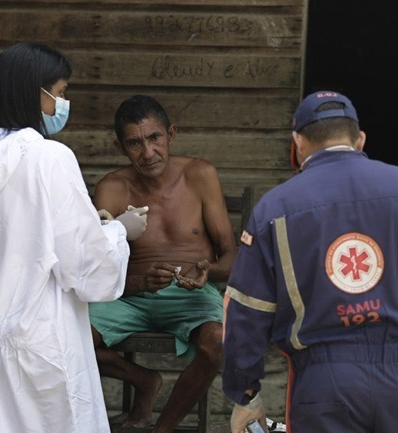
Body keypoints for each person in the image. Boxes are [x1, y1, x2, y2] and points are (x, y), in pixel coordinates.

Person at [222, 90, 398, 433]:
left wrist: (246, 394)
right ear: (360, 139)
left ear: (297, 142)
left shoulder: (274, 210)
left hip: (324, 385)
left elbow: (246, 310)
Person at [0, 42, 146, 433]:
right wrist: (119, 232)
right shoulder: (50, 158)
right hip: (40, 349)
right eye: (61, 93)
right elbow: (86, 268)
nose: (63, 103)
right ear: (37, 94)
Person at [88, 95, 238, 432]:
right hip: (129, 297)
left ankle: (163, 428)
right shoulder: (111, 188)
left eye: (154, 138)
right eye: (135, 143)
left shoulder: (200, 174)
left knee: (218, 340)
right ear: (119, 146)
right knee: (65, 335)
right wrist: (141, 283)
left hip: (193, 295)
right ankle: (143, 380)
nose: (148, 152)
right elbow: (94, 272)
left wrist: (207, 271)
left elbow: (231, 257)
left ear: (171, 134)